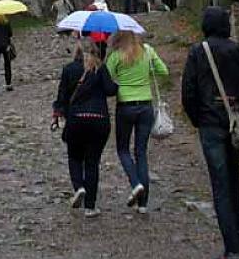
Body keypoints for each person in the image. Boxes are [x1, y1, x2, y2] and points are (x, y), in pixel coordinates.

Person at [181, 7, 239, 259]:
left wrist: (199, 119)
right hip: (234, 124)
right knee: (234, 179)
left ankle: (232, 249)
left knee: (221, 185)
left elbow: (188, 92)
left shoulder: (198, 53)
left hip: (210, 124)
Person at [52, 39, 117, 218]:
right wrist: (116, 83)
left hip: (76, 120)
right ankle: (90, 207)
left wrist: (58, 112)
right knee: (92, 162)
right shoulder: (101, 68)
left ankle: (79, 187)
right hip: (99, 120)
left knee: (74, 157)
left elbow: (62, 96)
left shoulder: (69, 69)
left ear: (77, 51)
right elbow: (110, 90)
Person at [106, 30, 169, 213]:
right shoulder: (148, 51)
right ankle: (143, 204)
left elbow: (107, 78)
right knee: (141, 152)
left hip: (125, 106)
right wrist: (148, 70)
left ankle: (135, 183)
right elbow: (164, 71)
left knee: (123, 149)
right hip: (146, 106)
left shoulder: (116, 55)